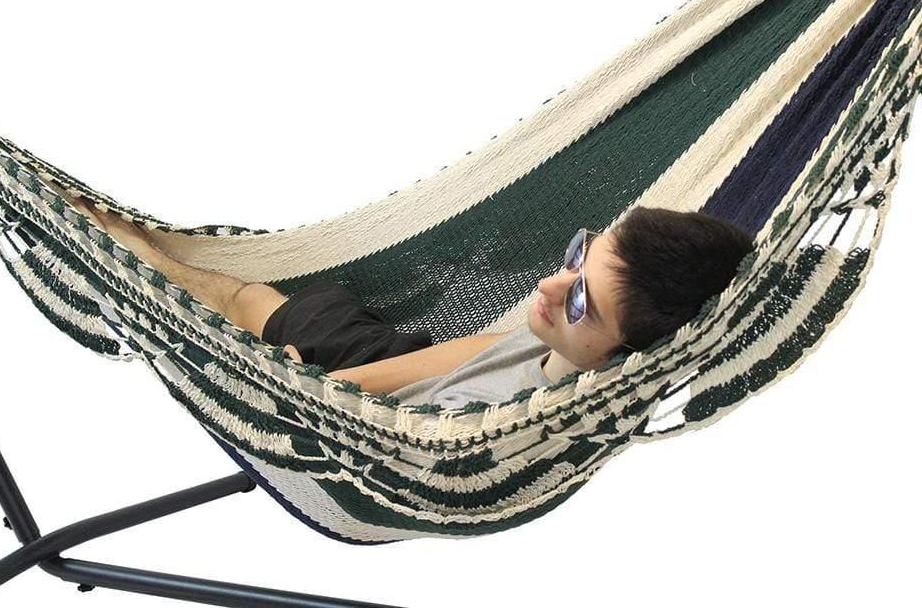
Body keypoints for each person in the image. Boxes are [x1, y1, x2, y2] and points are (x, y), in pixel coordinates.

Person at [66, 193, 755, 408]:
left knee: (229, 304)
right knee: (250, 297)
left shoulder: (523, 421)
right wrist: (335, 382)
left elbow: (411, 448)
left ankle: (116, 248)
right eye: (579, 255)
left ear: (621, 356)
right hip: (374, 377)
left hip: (362, 437)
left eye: (581, 303)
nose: (550, 287)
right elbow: (475, 350)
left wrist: (306, 400)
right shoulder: (563, 342)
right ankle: (140, 250)